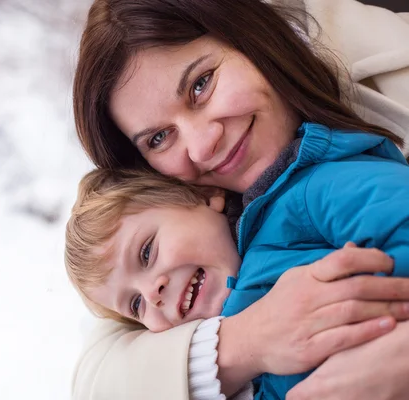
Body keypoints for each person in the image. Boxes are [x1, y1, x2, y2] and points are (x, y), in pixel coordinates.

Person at [71, 0, 409, 399]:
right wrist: (246, 342)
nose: (202, 145)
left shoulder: (312, 189)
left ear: (249, 38)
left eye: (201, 84)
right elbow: (101, 383)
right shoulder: (214, 259)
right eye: (159, 138)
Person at [65, 120, 409, 398]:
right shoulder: (242, 377)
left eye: (146, 252)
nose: (152, 294)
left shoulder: (300, 197)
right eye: (136, 304)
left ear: (203, 195)